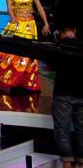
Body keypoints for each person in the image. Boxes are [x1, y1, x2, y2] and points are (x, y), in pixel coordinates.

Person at [51, 18, 83, 168]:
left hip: (63, 94)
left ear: (60, 33)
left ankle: (67, 164)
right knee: (82, 131)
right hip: (81, 93)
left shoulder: (58, 47)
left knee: (62, 130)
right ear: (75, 31)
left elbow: (51, 67)